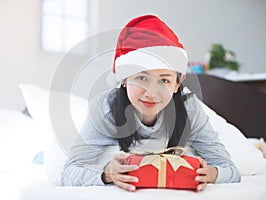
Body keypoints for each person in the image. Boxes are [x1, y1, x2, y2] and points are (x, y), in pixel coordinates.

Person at [61, 15, 241, 192]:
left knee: (250, 154)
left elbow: (230, 170)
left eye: (164, 81)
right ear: (124, 79)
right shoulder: (105, 109)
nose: (151, 93)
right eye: (141, 78)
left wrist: (210, 174)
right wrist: (107, 174)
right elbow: (69, 172)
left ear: (178, 83)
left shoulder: (190, 109)